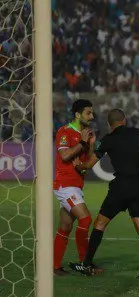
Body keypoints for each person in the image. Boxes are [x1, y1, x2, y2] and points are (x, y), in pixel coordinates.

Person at [69, 109, 139, 278]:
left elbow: (90, 164)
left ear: (109, 124)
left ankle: (87, 264)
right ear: (124, 120)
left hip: (121, 187)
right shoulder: (135, 132)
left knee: (100, 223)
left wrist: (78, 166)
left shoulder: (108, 140)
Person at [53, 99, 97, 276]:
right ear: (77, 115)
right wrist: (83, 143)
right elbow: (64, 156)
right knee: (85, 220)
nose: (92, 116)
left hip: (76, 185)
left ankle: (55, 267)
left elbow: (89, 163)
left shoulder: (86, 135)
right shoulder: (65, 131)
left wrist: (91, 145)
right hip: (65, 185)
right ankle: (84, 263)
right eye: (88, 113)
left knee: (65, 227)